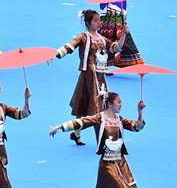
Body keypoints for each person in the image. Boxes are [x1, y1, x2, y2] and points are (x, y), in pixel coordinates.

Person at [49, 92, 150, 188]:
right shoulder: (99, 118)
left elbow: (137, 127)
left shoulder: (119, 119)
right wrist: (60, 127)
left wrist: (139, 112)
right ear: (110, 104)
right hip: (107, 165)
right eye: (119, 102)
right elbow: (81, 122)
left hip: (121, 163)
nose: (121, 104)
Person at [49, 9, 126, 145]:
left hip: (101, 77)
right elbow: (70, 46)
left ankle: (76, 133)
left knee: (86, 105)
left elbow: (116, 48)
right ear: (88, 23)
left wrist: (124, 35)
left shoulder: (102, 39)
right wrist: (54, 54)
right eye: (95, 20)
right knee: (98, 108)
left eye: (99, 20)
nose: (99, 23)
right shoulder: (83, 37)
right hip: (88, 77)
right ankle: (103, 138)